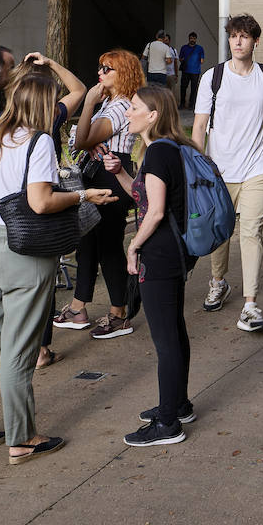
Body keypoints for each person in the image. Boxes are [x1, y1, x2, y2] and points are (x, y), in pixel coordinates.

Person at [0, 66, 114, 465]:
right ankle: (22, 438)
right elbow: (40, 202)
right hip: (28, 254)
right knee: (19, 348)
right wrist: (82, 196)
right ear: (44, 105)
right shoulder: (38, 145)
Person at [103, 85, 197, 446]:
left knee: (165, 340)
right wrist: (120, 173)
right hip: (173, 252)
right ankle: (178, 404)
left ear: (153, 115)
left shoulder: (158, 153)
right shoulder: (169, 148)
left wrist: (134, 245)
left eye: (135, 108)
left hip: (159, 254)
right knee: (174, 330)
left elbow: (155, 212)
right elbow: (146, 197)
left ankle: (168, 423)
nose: (128, 113)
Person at [192, 13, 263, 332]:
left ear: (255, 41)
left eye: (244, 36)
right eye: (233, 35)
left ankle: (250, 305)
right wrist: (196, 165)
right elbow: (199, 126)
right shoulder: (212, 77)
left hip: (258, 167)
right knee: (221, 232)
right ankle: (218, 281)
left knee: (251, 231)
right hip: (219, 170)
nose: (237, 41)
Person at [51, 48, 142, 339]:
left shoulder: (120, 106)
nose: (100, 74)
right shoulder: (111, 103)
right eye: (100, 68)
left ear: (123, 74)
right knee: (89, 241)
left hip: (112, 175)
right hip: (99, 172)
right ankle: (79, 308)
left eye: (107, 69)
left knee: (108, 245)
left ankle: (119, 313)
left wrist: (89, 102)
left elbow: (80, 138)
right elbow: (81, 141)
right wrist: (87, 139)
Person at [18, 51, 88, 371]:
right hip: (42, 209)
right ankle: (41, 349)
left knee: (22, 285)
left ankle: (23, 345)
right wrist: (53, 63)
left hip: (9, 214)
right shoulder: (48, 121)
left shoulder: (1, 124)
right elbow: (80, 90)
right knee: (44, 280)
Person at [177, 31, 206, 108]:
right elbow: (180, 58)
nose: (192, 40)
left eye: (193, 38)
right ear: (189, 39)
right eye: (191, 38)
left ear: (196, 39)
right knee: (184, 88)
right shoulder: (184, 47)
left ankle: (190, 104)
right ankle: (186, 104)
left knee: (193, 89)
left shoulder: (199, 48)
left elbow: (202, 60)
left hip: (195, 72)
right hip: (186, 71)